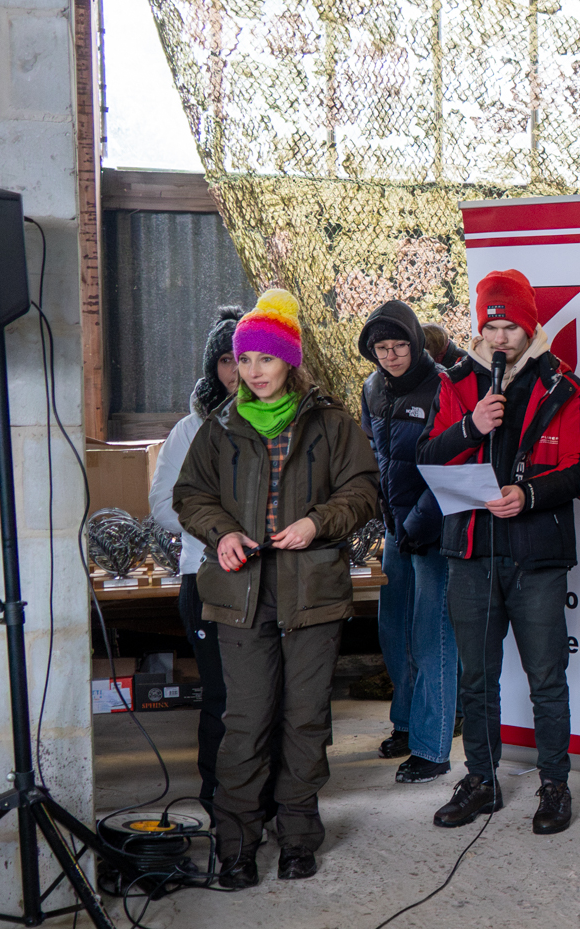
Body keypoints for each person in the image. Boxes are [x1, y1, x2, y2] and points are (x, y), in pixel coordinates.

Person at [174, 288, 381, 886]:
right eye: (244, 360)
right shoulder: (219, 428)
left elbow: (363, 490)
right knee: (245, 719)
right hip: (239, 594)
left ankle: (296, 835)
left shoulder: (332, 423)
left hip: (310, 591)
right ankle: (236, 841)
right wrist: (222, 534)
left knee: (305, 718)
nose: (254, 372)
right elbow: (190, 496)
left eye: (265, 359)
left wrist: (318, 522)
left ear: (288, 361)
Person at [417, 269, 580, 835]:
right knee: (477, 677)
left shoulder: (561, 384)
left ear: (530, 324)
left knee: (547, 676)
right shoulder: (458, 382)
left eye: (510, 325)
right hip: (470, 552)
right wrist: (471, 426)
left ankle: (555, 785)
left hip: (535, 555)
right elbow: (428, 455)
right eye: (490, 325)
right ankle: (482, 780)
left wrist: (530, 494)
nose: (499, 337)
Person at [149, 304, 284, 822]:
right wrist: (224, 524)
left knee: (268, 691)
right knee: (222, 694)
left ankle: (266, 793)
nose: (239, 371)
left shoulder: (280, 421)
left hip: (269, 576)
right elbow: (164, 505)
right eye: (229, 360)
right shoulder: (190, 430)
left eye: (250, 359)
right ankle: (218, 795)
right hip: (205, 577)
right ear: (215, 368)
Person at [359, 300, 457, 784]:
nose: (392, 355)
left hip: (435, 528)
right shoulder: (371, 388)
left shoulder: (442, 384)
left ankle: (432, 746)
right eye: (382, 347)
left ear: (417, 343)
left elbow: (450, 463)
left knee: (431, 635)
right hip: (395, 529)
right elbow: (374, 458)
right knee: (392, 629)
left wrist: (418, 523)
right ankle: (404, 723)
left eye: (400, 345)